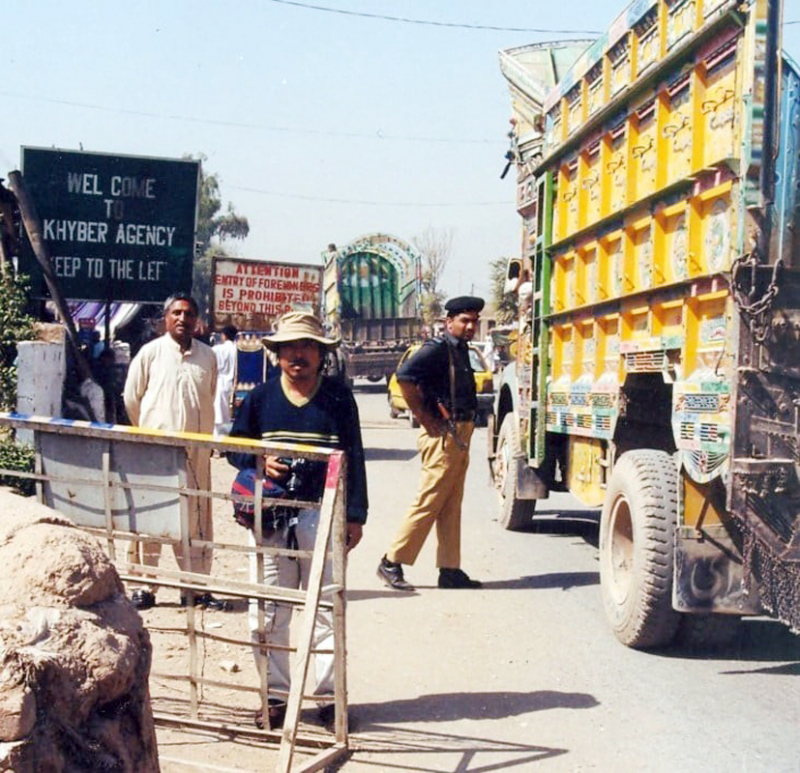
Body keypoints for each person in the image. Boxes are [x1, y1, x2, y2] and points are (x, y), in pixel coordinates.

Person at [227, 311, 368, 730]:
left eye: (306, 347)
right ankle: (275, 697)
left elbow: (355, 459)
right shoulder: (260, 399)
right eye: (290, 348)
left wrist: (355, 516)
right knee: (268, 612)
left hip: (323, 517)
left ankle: (328, 698)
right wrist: (258, 458)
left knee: (326, 609)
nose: (298, 355)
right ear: (277, 354)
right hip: (270, 518)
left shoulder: (340, 398)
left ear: (320, 354)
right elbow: (233, 447)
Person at [123, 293, 225, 611]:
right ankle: (144, 587)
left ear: (197, 320)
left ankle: (194, 588)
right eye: (177, 313)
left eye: (189, 313)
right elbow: (131, 398)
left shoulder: (208, 356)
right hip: (156, 454)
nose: (183, 318)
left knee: (195, 520)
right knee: (150, 517)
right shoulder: (150, 354)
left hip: (196, 455)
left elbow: (209, 397)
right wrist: (152, 434)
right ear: (166, 318)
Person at [377, 296, 484, 592]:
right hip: (443, 435)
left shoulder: (459, 350)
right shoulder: (437, 349)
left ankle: (449, 570)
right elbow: (404, 377)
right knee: (429, 501)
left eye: (474, 320)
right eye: (464, 320)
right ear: (448, 322)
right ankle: (390, 561)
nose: (470, 326)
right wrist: (424, 416)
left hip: (460, 432)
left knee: (451, 504)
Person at [212, 324, 238, 436]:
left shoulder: (217, 349)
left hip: (219, 383)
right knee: (227, 414)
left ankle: (219, 441)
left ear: (224, 336)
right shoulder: (236, 349)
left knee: (218, 415)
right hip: (230, 384)